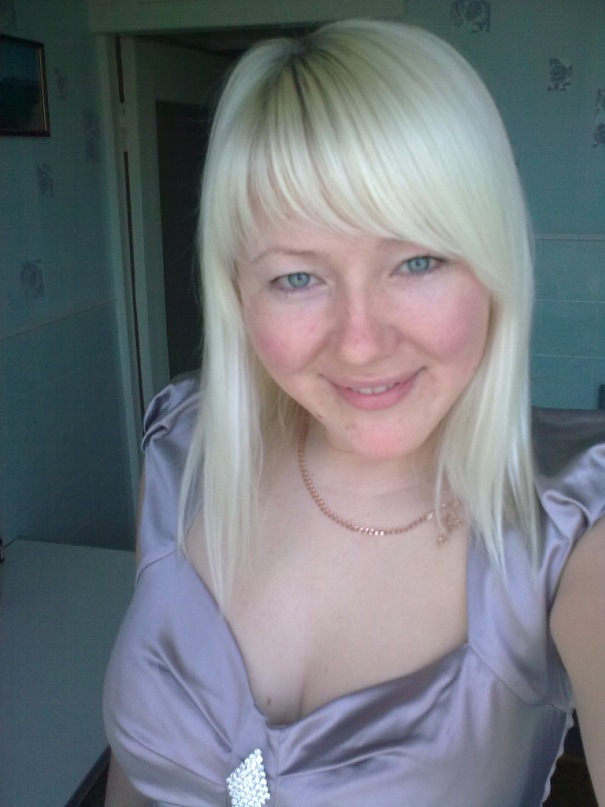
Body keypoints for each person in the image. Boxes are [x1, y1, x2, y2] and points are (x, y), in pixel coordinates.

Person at [103, 19, 605, 807]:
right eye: (297, 278)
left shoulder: (574, 527)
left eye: (417, 260)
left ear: (493, 265)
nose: (362, 342)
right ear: (237, 292)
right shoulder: (182, 450)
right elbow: (135, 769)